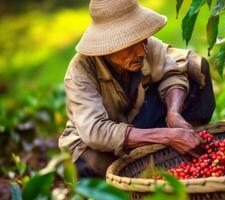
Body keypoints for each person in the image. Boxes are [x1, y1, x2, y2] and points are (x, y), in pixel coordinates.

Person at [58, 0, 215, 178]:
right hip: (100, 142)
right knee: (92, 163)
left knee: (197, 69)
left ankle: (188, 152)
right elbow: (95, 132)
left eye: (142, 41)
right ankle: (164, 153)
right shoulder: (81, 70)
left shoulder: (145, 45)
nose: (141, 51)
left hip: (139, 123)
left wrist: (173, 113)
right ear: (106, 46)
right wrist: (167, 136)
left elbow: (172, 73)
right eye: (130, 45)